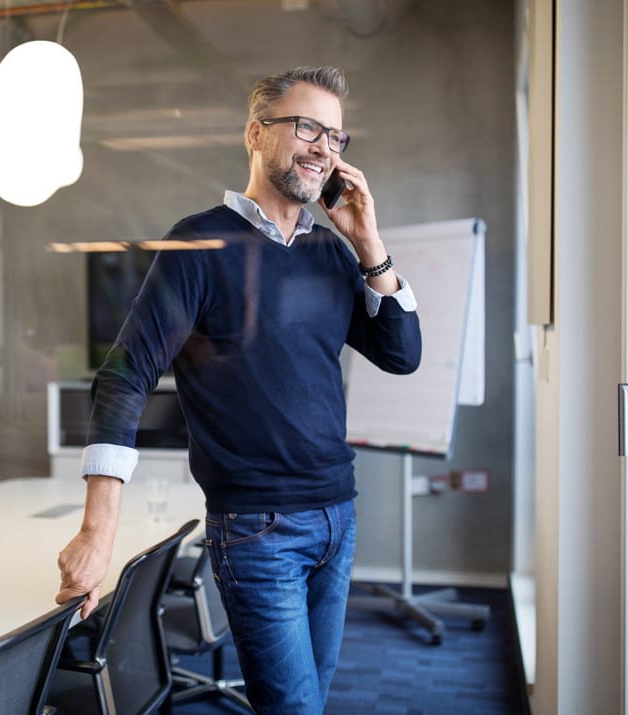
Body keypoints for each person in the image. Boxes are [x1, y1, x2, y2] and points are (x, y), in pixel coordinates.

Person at [55, 66, 421, 714]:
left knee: (311, 702)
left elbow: (401, 353)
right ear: (255, 133)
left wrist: (368, 241)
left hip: (338, 515)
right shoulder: (199, 244)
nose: (323, 148)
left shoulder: (331, 252)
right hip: (258, 529)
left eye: (335, 136)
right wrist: (97, 529)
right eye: (306, 127)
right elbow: (125, 373)